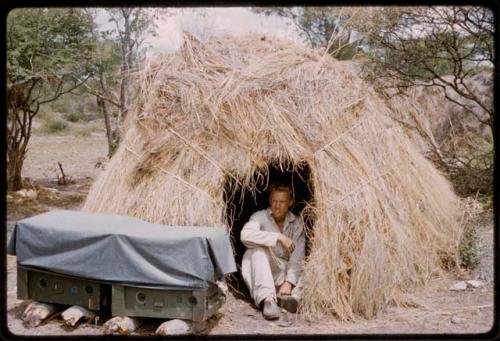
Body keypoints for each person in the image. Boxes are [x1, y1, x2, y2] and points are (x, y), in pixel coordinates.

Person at [240, 182, 306, 320]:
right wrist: (278, 237)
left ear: (290, 202)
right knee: (254, 252)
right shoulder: (260, 217)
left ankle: (289, 298)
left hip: (285, 273)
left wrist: (289, 282)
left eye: (282, 201)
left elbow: (298, 255)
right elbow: (245, 235)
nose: (277, 205)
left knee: (311, 263)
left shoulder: (297, 222)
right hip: (264, 273)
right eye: (274, 201)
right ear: (270, 201)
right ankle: (268, 300)